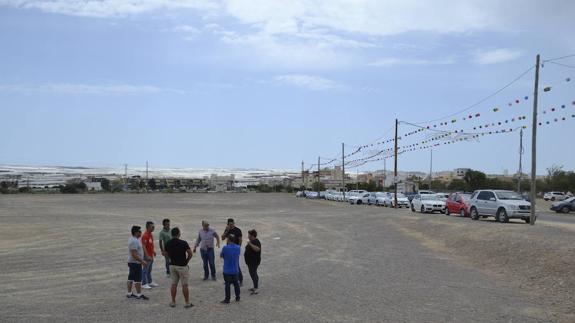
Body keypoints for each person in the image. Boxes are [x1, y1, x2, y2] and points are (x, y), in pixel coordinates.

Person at [165, 227, 194, 308]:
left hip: (172, 265)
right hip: (182, 266)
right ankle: (187, 302)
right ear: (178, 234)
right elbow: (190, 254)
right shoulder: (183, 243)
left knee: (174, 284)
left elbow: (165, 253)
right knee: (184, 285)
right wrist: (186, 261)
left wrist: (170, 258)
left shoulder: (168, 243)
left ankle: (173, 302)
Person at [126, 225, 149, 300]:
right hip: (135, 263)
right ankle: (139, 294)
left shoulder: (133, 239)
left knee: (131, 278)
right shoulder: (134, 241)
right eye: (140, 231)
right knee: (137, 279)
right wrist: (142, 261)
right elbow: (134, 254)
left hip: (133, 262)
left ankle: (130, 294)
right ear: (136, 232)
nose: (141, 233)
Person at [220, 234, 241, 304]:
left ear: (228, 240)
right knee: (236, 284)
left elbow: (221, 256)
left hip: (227, 270)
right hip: (235, 269)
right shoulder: (238, 247)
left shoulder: (225, 248)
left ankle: (227, 299)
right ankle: (237, 297)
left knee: (227, 285)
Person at [221, 218, 243, 285]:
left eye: (232, 224)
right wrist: (226, 231)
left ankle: (240, 280)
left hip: (235, 249)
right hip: (228, 249)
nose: (231, 225)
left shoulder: (238, 230)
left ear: (234, 223)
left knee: (236, 265)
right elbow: (222, 238)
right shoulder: (227, 230)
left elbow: (240, 240)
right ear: (228, 224)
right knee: (228, 264)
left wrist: (238, 248)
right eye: (230, 224)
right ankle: (228, 280)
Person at [244, 229, 261, 295]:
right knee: (252, 274)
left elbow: (257, 249)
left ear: (252, 235)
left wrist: (250, 244)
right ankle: (255, 287)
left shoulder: (256, 241)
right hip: (250, 262)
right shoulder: (252, 241)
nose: (248, 236)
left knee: (253, 274)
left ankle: (256, 288)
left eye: (249, 235)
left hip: (254, 262)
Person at [141, 221, 157, 289]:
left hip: (151, 255)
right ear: (148, 227)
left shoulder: (150, 234)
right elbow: (144, 246)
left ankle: (150, 281)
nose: (154, 228)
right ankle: (144, 283)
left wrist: (153, 251)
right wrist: (147, 256)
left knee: (149, 269)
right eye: (152, 227)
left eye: (154, 226)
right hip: (147, 256)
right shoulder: (145, 235)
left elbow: (150, 244)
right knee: (145, 270)